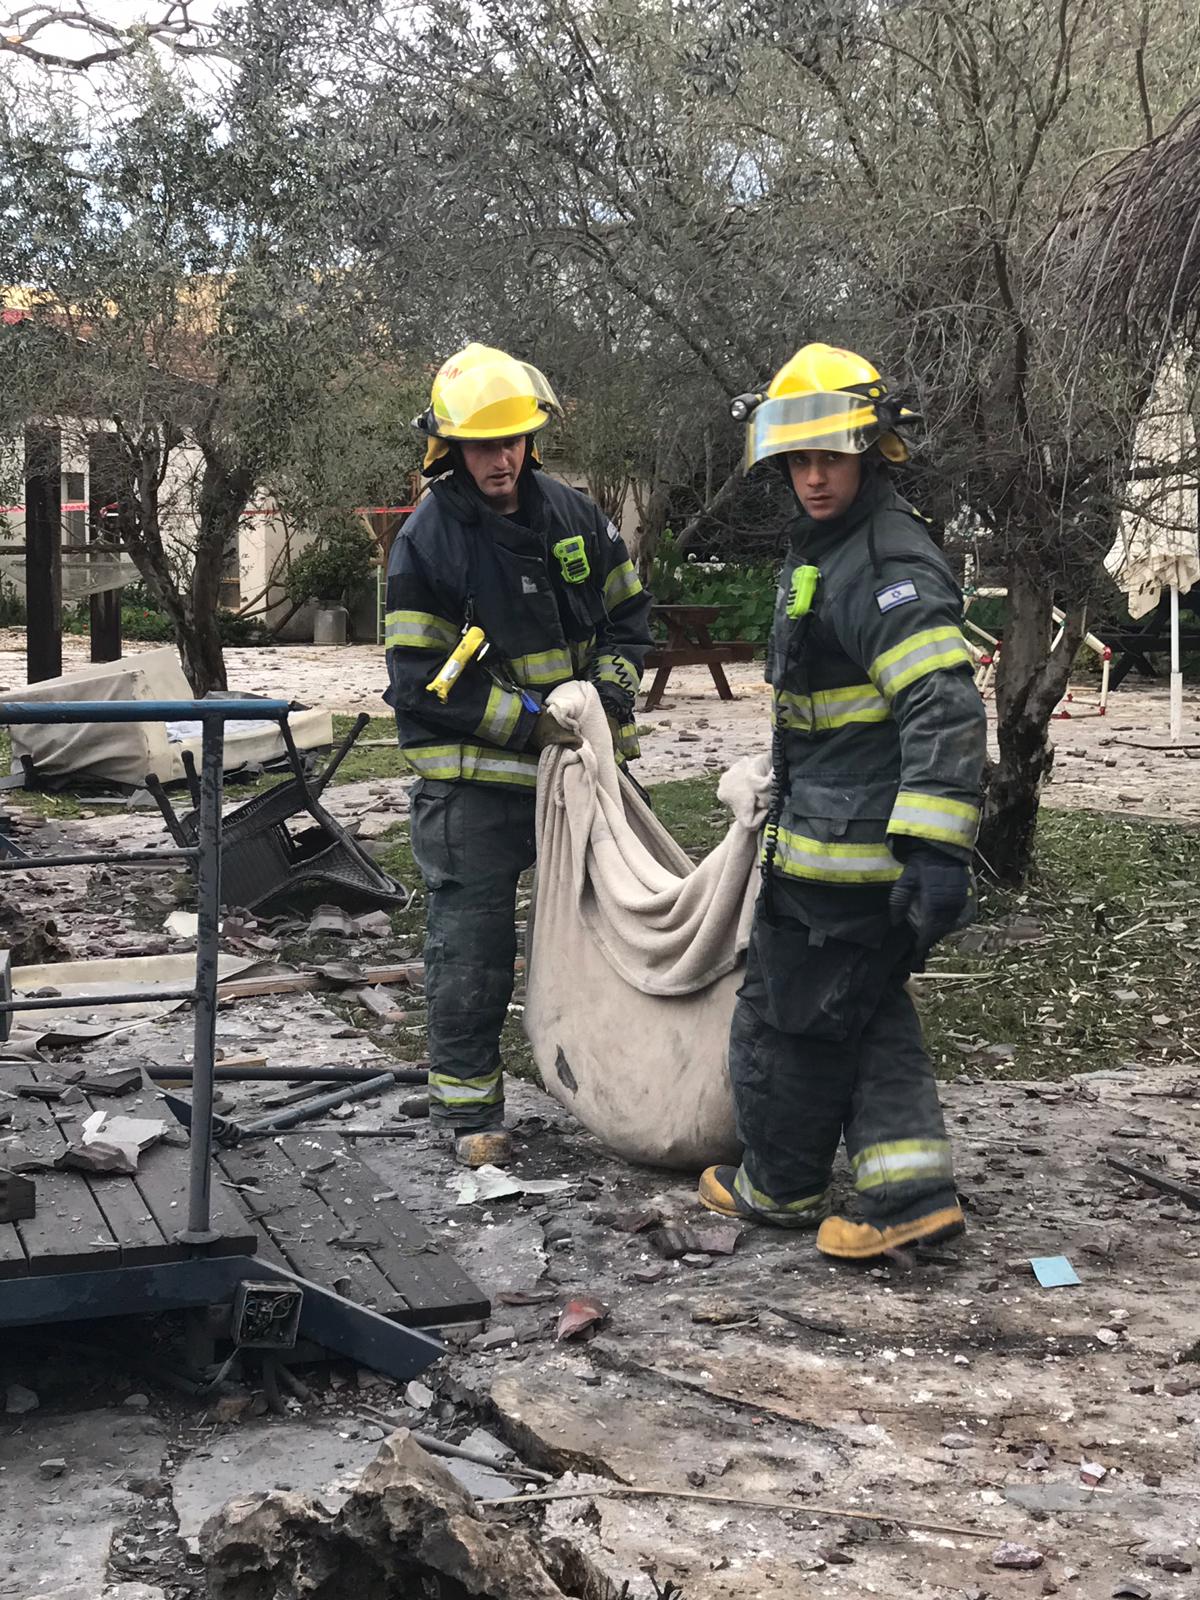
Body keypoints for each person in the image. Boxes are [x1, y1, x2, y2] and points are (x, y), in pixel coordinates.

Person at [698, 342, 988, 1260]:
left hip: (854, 857)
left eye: (830, 458)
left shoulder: (883, 561)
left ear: (873, 450)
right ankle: (822, 1185)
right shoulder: (835, 546)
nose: (813, 478)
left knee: (806, 1012)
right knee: (834, 1009)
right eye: (799, 461)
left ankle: (854, 1194)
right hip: (826, 841)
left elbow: (942, 703)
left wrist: (938, 849)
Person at [385, 342, 652, 1166]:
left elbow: (628, 620)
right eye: (481, 445)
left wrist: (606, 697)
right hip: (476, 790)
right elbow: (422, 679)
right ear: (450, 449)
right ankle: (470, 1112)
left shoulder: (574, 516)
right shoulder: (427, 544)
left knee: (616, 938)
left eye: (511, 442)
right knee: (473, 949)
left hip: (582, 779)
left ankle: (623, 1091)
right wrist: (530, 723)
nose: (499, 459)